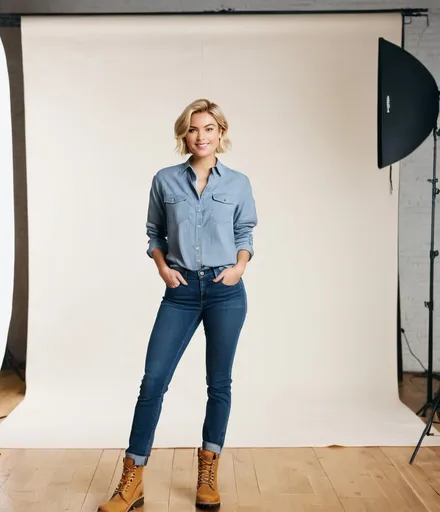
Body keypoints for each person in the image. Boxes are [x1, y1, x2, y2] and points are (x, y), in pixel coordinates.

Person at [97, 98, 258, 512]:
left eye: (208, 128)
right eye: (193, 129)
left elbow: (245, 231)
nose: (201, 136)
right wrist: (162, 267)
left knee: (218, 383)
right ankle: (132, 480)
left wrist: (240, 267)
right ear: (183, 135)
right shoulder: (165, 180)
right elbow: (153, 231)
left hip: (226, 291)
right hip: (181, 291)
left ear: (221, 133)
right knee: (153, 382)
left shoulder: (238, 183)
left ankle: (208, 470)